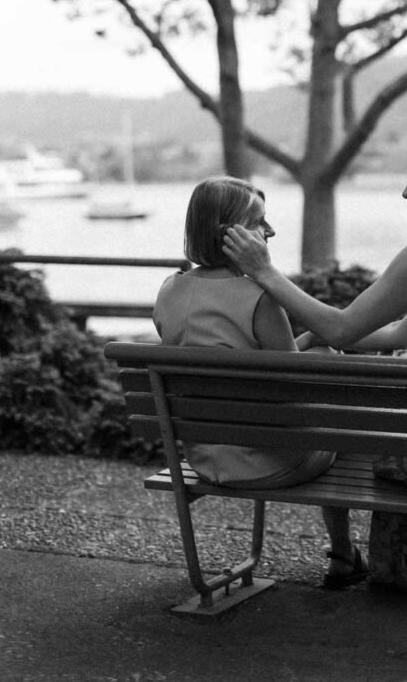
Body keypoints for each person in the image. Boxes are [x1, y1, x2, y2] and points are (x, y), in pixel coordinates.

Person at [222, 131, 407, 607]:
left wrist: (265, 273)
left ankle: (343, 555)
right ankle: (366, 560)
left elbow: (345, 329)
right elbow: (397, 334)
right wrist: (320, 337)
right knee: (341, 389)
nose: (406, 192)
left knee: (327, 428)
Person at [153, 176, 366, 589]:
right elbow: (293, 388)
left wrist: (303, 342)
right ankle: (344, 555)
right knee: (344, 422)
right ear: (228, 235)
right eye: (258, 222)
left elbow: (234, 360)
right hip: (267, 464)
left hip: (205, 460)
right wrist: (322, 349)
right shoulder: (260, 298)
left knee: (316, 362)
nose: (269, 231)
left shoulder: (169, 291)